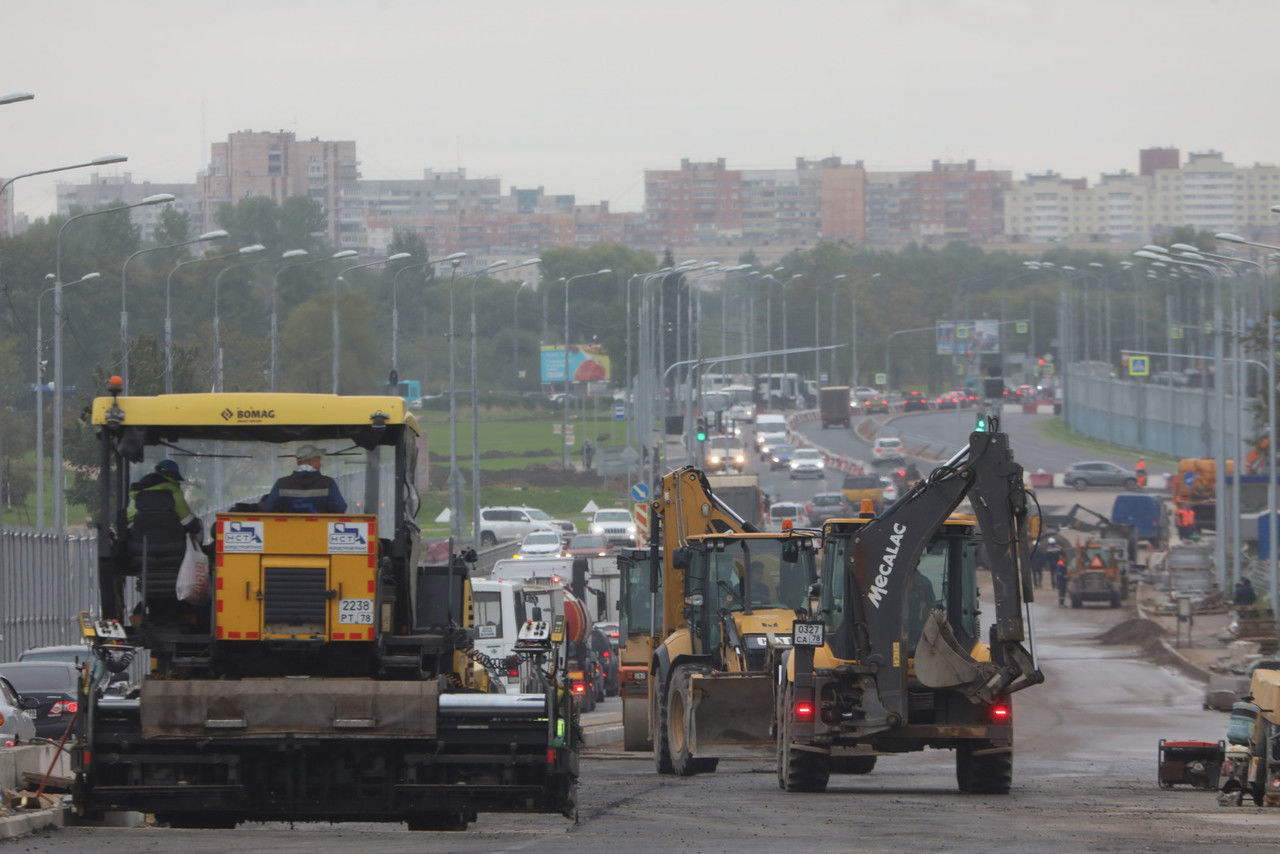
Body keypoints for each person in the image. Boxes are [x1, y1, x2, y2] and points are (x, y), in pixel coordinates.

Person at [127, 459, 201, 539]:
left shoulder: (139, 491)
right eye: (176, 478)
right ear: (173, 475)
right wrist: (196, 525)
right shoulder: (173, 491)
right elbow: (186, 519)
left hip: (140, 544)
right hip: (170, 544)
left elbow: (129, 517)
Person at [262, 444, 347, 513]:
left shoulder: (281, 483)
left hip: (287, 531)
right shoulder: (328, 483)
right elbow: (340, 508)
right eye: (318, 460)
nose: (320, 464)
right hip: (320, 531)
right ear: (312, 461)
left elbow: (268, 508)